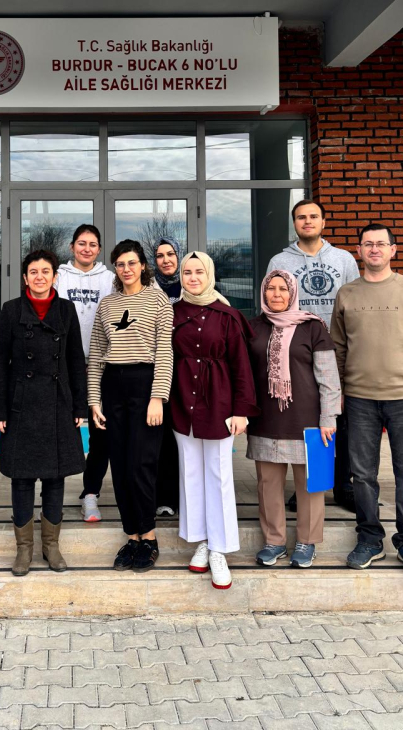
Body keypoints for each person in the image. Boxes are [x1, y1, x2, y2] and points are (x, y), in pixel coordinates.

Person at [331, 223, 403, 577]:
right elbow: (338, 348)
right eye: (368, 244)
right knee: (363, 475)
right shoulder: (347, 294)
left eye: (381, 244)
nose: (374, 249)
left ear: (393, 250)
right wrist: (337, 392)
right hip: (359, 399)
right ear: (359, 251)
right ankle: (369, 538)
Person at [0, 249, 87, 576]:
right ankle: (24, 549)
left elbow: (75, 360)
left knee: (55, 477)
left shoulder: (66, 309)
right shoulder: (11, 310)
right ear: (25, 278)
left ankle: (51, 545)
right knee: (21, 478)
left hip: (58, 403)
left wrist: (79, 405)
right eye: (33, 272)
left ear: (55, 276)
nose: (40, 277)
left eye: (46, 271)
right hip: (20, 405)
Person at [170, 251, 258, 590]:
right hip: (182, 402)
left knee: (219, 474)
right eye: (187, 272)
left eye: (199, 272)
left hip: (220, 403)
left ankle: (220, 548)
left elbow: (241, 366)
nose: (193, 278)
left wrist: (241, 410)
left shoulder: (228, 315)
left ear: (210, 275)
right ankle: (201, 540)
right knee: (190, 472)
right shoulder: (172, 313)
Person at [267, 199, 360, 512]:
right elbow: (273, 304)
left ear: (323, 222)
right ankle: (309, 484)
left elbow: (355, 304)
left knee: (341, 420)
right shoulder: (280, 260)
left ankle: (343, 485)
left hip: (339, 348)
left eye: (313, 216)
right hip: (298, 350)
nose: (307, 221)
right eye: (301, 217)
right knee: (306, 419)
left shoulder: (343, 259)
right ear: (294, 223)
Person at [88, 239, 173, 572]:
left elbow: (165, 352)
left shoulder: (158, 300)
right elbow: (97, 354)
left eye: (132, 263)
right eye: (120, 264)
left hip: (145, 384)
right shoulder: (107, 304)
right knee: (120, 465)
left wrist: (158, 397)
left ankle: (149, 536)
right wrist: (94, 399)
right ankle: (132, 536)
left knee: (141, 464)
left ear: (143, 266)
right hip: (113, 386)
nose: (126, 269)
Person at [247, 269, 341, 569]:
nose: (276, 294)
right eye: (271, 288)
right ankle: (273, 541)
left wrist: (329, 417)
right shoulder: (253, 327)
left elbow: (328, 378)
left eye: (283, 289)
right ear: (263, 292)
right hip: (265, 420)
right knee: (268, 486)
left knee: (310, 486)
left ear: (293, 292)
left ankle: (306, 541)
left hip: (309, 422)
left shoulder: (313, 327)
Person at [56, 224, 114, 523]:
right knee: (58, 431)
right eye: (81, 243)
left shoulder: (110, 279)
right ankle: (51, 496)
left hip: (100, 366)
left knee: (100, 434)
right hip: (65, 366)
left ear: (99, 249)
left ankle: (90, 493)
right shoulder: (58, 277)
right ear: (72, 247)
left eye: (92, 244)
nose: (87, 249)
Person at [153, 235, 183, 518]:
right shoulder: (149, 288)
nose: (166, 260)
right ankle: (163, 497)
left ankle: (186, 497)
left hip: (187, 371)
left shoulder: (191, 284)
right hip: (158, 371)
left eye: (171, 254)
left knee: (183, 436)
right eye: (160, 255)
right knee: (160, 438)